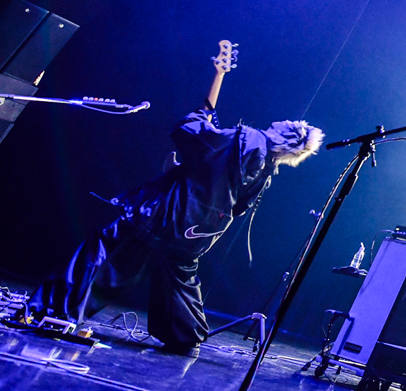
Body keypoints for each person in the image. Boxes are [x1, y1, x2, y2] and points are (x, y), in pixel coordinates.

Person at [22, 65, 322, 352]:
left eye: (285, 123)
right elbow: (237, 204)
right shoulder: (267, 169)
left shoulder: (250, 138)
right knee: (178, 284)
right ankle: (185, 336)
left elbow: (193, 133)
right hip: (197, 235)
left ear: (285, 133)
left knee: (103, 253)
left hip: (164, 219)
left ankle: (50, 313)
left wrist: (202, 115)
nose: (280, 121)